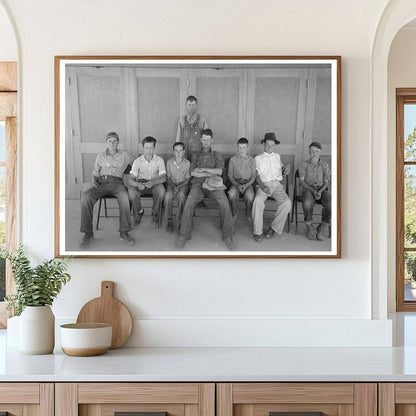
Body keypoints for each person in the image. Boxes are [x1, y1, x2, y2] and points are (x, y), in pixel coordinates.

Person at [176, 129, 236, 251]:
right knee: (190, 201)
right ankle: (184, 235)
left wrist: (202, 170)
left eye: (208, 140)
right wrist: (208, 171)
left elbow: (219, 171)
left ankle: (228, 236)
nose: (206, 142)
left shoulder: (217, 155)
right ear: (201, 140)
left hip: (215, 185)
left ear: (212, 140)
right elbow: (193, 173)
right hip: (198, 185)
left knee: (224, 203)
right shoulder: (195, 155)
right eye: (204, 139)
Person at [79, 131, 134, 248]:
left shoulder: (124, 155)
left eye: (115, 141)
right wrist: (94, 180)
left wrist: (132, 172)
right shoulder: (100, 156)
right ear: (106, 143)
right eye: (110, 141)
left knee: (125, 197)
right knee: (86, 196)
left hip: (117, 183)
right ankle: (87, 233)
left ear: (118, 142)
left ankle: (124, 232)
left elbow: (137, 164)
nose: (112, 143)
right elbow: (95, 172)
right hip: (101, 183)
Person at [252, 132, 291, 242]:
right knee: (258, 202)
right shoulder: (258, 158)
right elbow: (256, 175)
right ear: (263, 144)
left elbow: (283, 169)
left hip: (277, 186)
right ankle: (257, 232)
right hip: (263, 185)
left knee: (287, 203)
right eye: (267, 144)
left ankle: (273, 228)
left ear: (275, 146)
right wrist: (263, 187)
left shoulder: (277, 157)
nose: (269, 147)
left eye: (272, 145)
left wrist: (287, 167)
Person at [128, 136, 166, 226]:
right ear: (143, 147)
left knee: (161, 191)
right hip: (141, 183)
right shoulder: (137, 161)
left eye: (151, 148)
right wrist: (137, 184)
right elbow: (131, 179)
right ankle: (139, 211)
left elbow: (163, 178)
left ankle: (155, 212)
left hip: (154, 182)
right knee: (132, 192)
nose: (149, 150)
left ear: (154, 148)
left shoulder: (159, 160)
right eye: (146, 148)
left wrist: (153, 182)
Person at [299, 141, 331, 240]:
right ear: (309, 152)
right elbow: (302, 182)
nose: (314, 153)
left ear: (320, 152)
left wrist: (320, 191)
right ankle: (309, 226)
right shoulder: (304, 165)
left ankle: (323, 226)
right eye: (312, 151)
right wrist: (312, 190)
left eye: (317, 151)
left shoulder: (324, 165)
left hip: (321, 189)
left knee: (332, 203)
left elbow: (326, 181)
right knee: (307, 203)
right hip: (308, 189)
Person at [163, 141, 191, 233]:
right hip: (172, 183)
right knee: (167, 196)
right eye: (176, 151)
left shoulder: (187, 163)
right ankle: (169, 220)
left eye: (180, 151)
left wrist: (178, 187)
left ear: (184, 152)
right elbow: (168, 178)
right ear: (173, 152)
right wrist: (174, 186)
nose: (178, 153)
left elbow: (187, 179)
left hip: (183, 184)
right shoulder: (169, 162)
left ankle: (179, 220)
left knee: (182, 196)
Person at [227, 137, 256, 222]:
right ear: (237, 147)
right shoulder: (232, 160)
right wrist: (237, 185)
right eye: (240, 147)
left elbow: (253, 176)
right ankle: (234, 214)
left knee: (250, 196)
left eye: (244, 147)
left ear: (247, 148)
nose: (241, 150)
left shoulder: (252, 160)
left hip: (248, 183)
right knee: (231, 194)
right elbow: (230, 175)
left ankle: (248, 214)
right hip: (236, 183)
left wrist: (246, 185)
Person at [176, 95, 208, 160]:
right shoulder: (181, 120)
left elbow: (207, 139)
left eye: (193, 105)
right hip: (184, 154)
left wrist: (205, 153)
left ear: (196, 105)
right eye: (189, 104)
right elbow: (178, 138)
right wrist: (177, 153)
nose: (191, 107)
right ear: (186, 105)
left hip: (198, 154)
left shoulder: (202, 120)